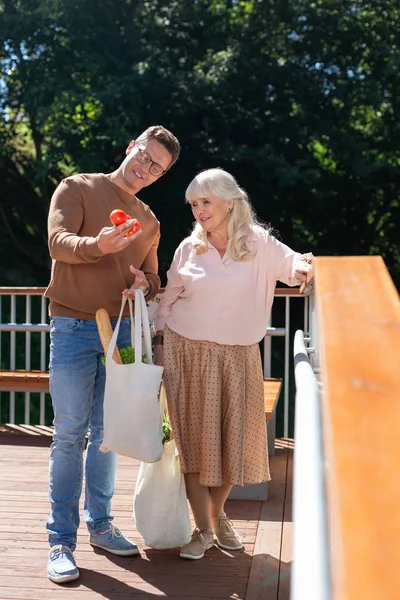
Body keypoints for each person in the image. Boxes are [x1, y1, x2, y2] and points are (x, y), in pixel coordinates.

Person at [152, 167, 314, 560]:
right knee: (191, 446)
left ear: (230, 201)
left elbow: (293, 268)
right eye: (194, 204)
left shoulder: (259, 243)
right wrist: (158, 345)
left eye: (206, 202)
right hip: (185, 352)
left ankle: (218, 514)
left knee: (231, 443)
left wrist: (309, 267)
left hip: (239, 356)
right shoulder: (189, 247)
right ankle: (204, 531)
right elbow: (169, 298)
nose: (199, 211)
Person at [44, 125, 181, 583]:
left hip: (121, 335)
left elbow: (153, 278)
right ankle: (60, 541)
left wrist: (145, 284)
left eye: (156, 167)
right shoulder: (78, 187)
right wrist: (97, 246)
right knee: (69, 434)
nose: (146, 168)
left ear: (160, 175)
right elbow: (57, 242)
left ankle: (100, 526)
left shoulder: (150, 220)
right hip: (71, 326)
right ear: (130, 147)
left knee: (106, 433)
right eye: (144, 155)